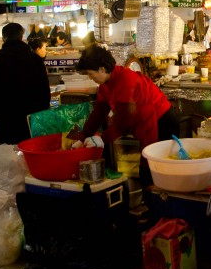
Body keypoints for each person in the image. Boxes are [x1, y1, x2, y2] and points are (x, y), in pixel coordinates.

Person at [72, 46, 180, 187]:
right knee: (149, 168)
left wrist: (101, 139)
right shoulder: (105, 86)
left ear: (102, 69)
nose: (90, 78)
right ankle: (151, 201)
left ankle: (159, 203)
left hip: (163, 122)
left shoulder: (126, 79)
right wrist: (82, 137)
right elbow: (99, 113)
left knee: (156, 168)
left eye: (90, 74)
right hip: (145, 123)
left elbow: (124, 120)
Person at [0, 23, 51, 145]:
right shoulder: (34, 59)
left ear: (4, 38)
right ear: (21, 36)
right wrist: (43, 109)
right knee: (30, 149)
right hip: (31, 115)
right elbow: (44, 87)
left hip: (5, 116)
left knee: (9, 152)